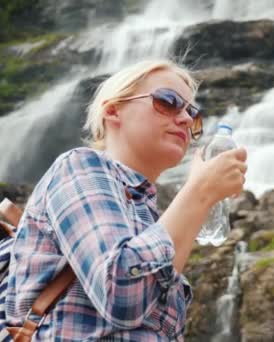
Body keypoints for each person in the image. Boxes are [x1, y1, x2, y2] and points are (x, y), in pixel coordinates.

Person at [4, 59, 248, 340]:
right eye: (168, 101)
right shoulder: (79, 166)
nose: (184, 118)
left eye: (193, 113)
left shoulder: (152, 220)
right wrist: (199, 191)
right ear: (113, 110)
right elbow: (121, 298)